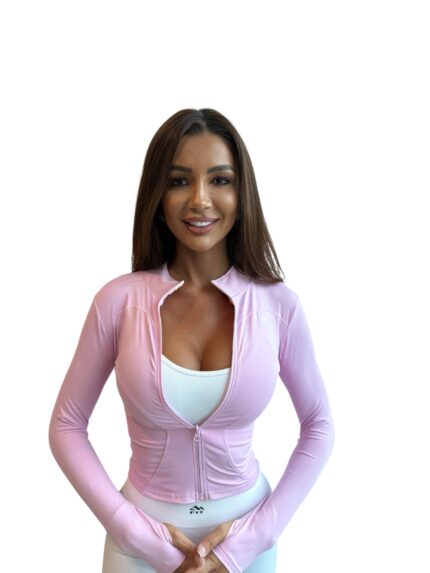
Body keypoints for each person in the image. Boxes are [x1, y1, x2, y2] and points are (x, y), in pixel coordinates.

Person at [48, 108, 335, 573]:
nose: (200, 199)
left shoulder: (279, 306)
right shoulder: (117, 302)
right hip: (138, 549)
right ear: (157, 195)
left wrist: (250, 540)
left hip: (247, 547)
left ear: (242, 194)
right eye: (179, 181)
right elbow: (66, 425)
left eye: (220, 180)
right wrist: (138, 535)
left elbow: (319, 425)